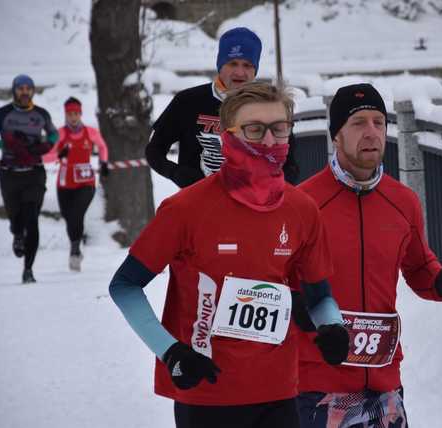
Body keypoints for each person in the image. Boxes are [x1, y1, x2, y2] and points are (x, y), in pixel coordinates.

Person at [109, 82, 349, 428]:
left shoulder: (302, 209)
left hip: (279, 392)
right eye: (254, 130)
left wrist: (333, 327)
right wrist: (171, 351)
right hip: (207, 393)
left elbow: (319, 295)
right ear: (228, 136)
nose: (268, 141)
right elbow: (125, 286)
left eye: (279, 129)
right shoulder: (185, 208)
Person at [292, 84, 442, 428]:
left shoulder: (403, 201)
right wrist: (301, 311)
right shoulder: (304, 203)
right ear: (336, 136)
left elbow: (419, 267)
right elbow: (277, 281)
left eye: (379, 122)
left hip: (385, 383)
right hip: (319, 385)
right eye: (359, 123)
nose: (372, 132)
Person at [145, 26, 298, 188]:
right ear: (220, 65)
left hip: (254, 206)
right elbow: (154, 151)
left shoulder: (269, 105)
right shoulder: (188, 101)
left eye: (247, 65)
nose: (240, 72)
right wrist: (176, 173)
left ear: (255, 70)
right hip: (199, 203)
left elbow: (291, 165)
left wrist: (275, 187)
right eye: (233, 64)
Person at [0, 74, 59, 283]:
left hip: (34, 173)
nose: (24, 92)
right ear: (14, 90)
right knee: (16, 217)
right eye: (20, 88)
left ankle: (28, 269)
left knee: (32, 219)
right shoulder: (2, 114)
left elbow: (54, 135)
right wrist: (6, 145)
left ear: (32, 91)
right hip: (9, 174)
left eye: (28, 88)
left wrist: (44, 145)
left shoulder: (41, 114)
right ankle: (17, 233)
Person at [43, 97, 109, 272]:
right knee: (68, 217)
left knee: (76, 214)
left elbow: (102, 146)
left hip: (86, 182)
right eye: (70, 114)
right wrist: (59, 154)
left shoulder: (90, 132)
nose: (73, 117)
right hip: (64, 184)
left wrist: (103, 163)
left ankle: (74, 251)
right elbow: (46, 156)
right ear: (66, 115)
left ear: (80, 114)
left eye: (76, 113)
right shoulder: (61, 134)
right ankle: (76, 247)